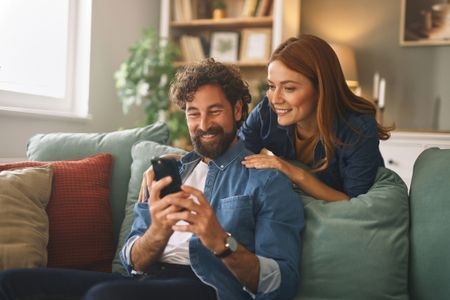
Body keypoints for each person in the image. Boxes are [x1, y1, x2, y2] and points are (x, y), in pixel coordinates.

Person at [0, 58, 304, 300]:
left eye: (214, 111)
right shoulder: (171, 171)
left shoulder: (265, 180)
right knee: (11, 283)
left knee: (107, 296)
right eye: (193, 114)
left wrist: (220, 241)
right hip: (147, 280)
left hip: (208, 286)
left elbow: (281, 282)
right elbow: (133, 260)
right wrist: (157, 230)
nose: (203, 124)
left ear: (238, 110)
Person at [238, 34, 392, 202]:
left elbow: (355, 203)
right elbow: (234, 159)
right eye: (271, 86)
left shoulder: (358, 127)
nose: (275, 99)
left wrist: (292, 172)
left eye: (289, 88)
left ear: (321, 88)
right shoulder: (266, 112)